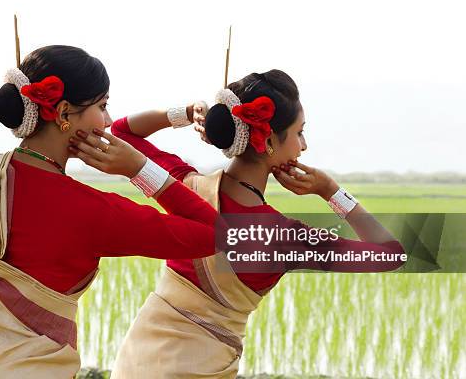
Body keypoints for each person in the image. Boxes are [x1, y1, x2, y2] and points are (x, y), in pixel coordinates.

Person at [0, 45, 220, 378]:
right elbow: (212, 233)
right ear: (65, 113)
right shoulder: (94, 211)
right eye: (102, 105)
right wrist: (138, 168)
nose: (108, 120)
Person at [101, 70, 406, 378]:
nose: (304, 146)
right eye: (300, 132)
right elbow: (391, 255)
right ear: (270, 140)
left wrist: (185, 113)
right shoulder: (283, 238)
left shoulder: (184, 185)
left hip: (138, 360)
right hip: (202, 368)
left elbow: (122, 132)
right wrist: (330, 191)